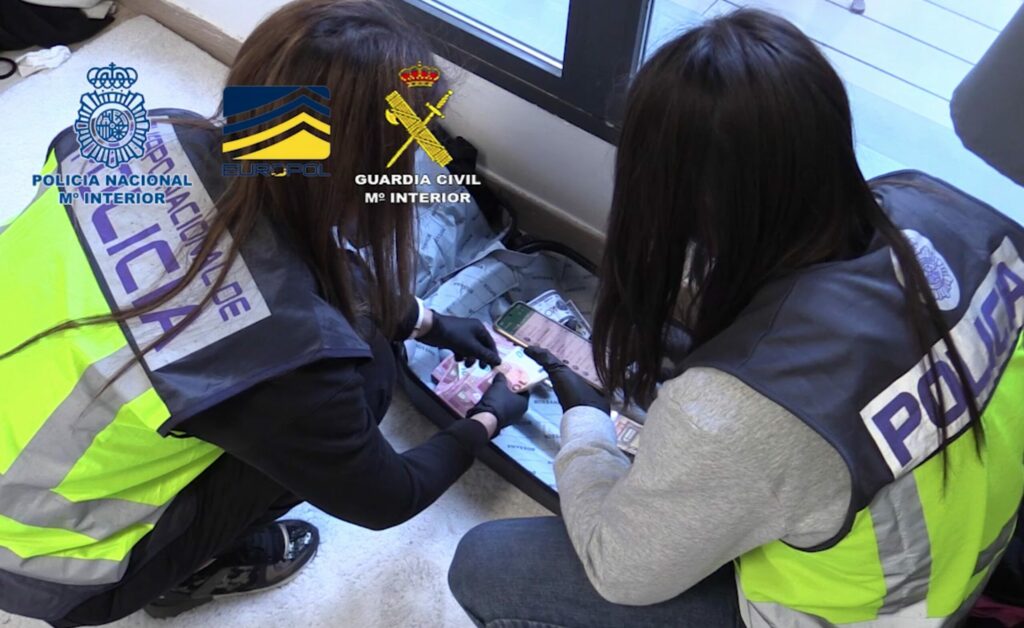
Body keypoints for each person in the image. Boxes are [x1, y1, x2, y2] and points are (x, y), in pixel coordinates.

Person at [449, 9, 1024, 628]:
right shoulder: (941, 205)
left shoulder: (729, 413)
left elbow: (619, 569)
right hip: (970, 548)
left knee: (486, 565)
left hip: (861, 614)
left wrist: (585, 422)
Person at [0, 0, 528, 624]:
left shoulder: (153, 132)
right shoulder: (285, 360)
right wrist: (489, 418)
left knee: (348, 351)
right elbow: (388, 497)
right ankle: (186, 573)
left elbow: (289, 251)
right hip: (44, 553)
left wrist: (425, 321)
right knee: (367, 377)